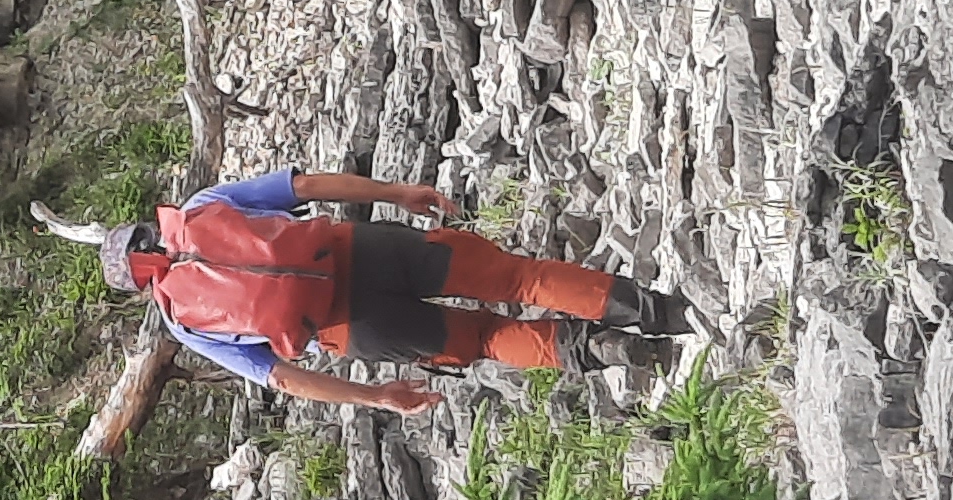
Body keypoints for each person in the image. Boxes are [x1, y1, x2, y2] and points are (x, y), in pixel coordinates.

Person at [71, 168, 683, 415]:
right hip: (365, 250)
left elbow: (281, 376)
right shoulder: (202, 208)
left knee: (488, 340)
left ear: (141, 290)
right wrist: (396, 194)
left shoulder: (183, 322)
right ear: (151, 232)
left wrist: (375, 396)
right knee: (516, 278)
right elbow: (303, 184)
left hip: (351, 328)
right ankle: (655, 311)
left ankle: (606, 353)